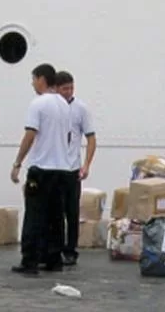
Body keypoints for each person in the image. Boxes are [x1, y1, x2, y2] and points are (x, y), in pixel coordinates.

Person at [10, 63, 71, 275]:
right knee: (56, 217)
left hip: (42, 168)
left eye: (33, 79)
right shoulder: (64, 105)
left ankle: (30, 260)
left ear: (41, 79)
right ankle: (54, 259)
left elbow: (30, 134)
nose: (32, 83)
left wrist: (18, 162)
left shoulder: (38, 104)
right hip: (62, 169)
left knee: (34, 215)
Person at [56, 70, 96, 266]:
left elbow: (90, 138)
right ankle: (53, 247)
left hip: (71, 168)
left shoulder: (80, 108)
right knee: (53, 211)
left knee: (71, 212)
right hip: (53, 167)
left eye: (71, 88)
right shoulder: (51, 107)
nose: (69, 92)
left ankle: (70, 250)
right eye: (65, 88)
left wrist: (86, 164)